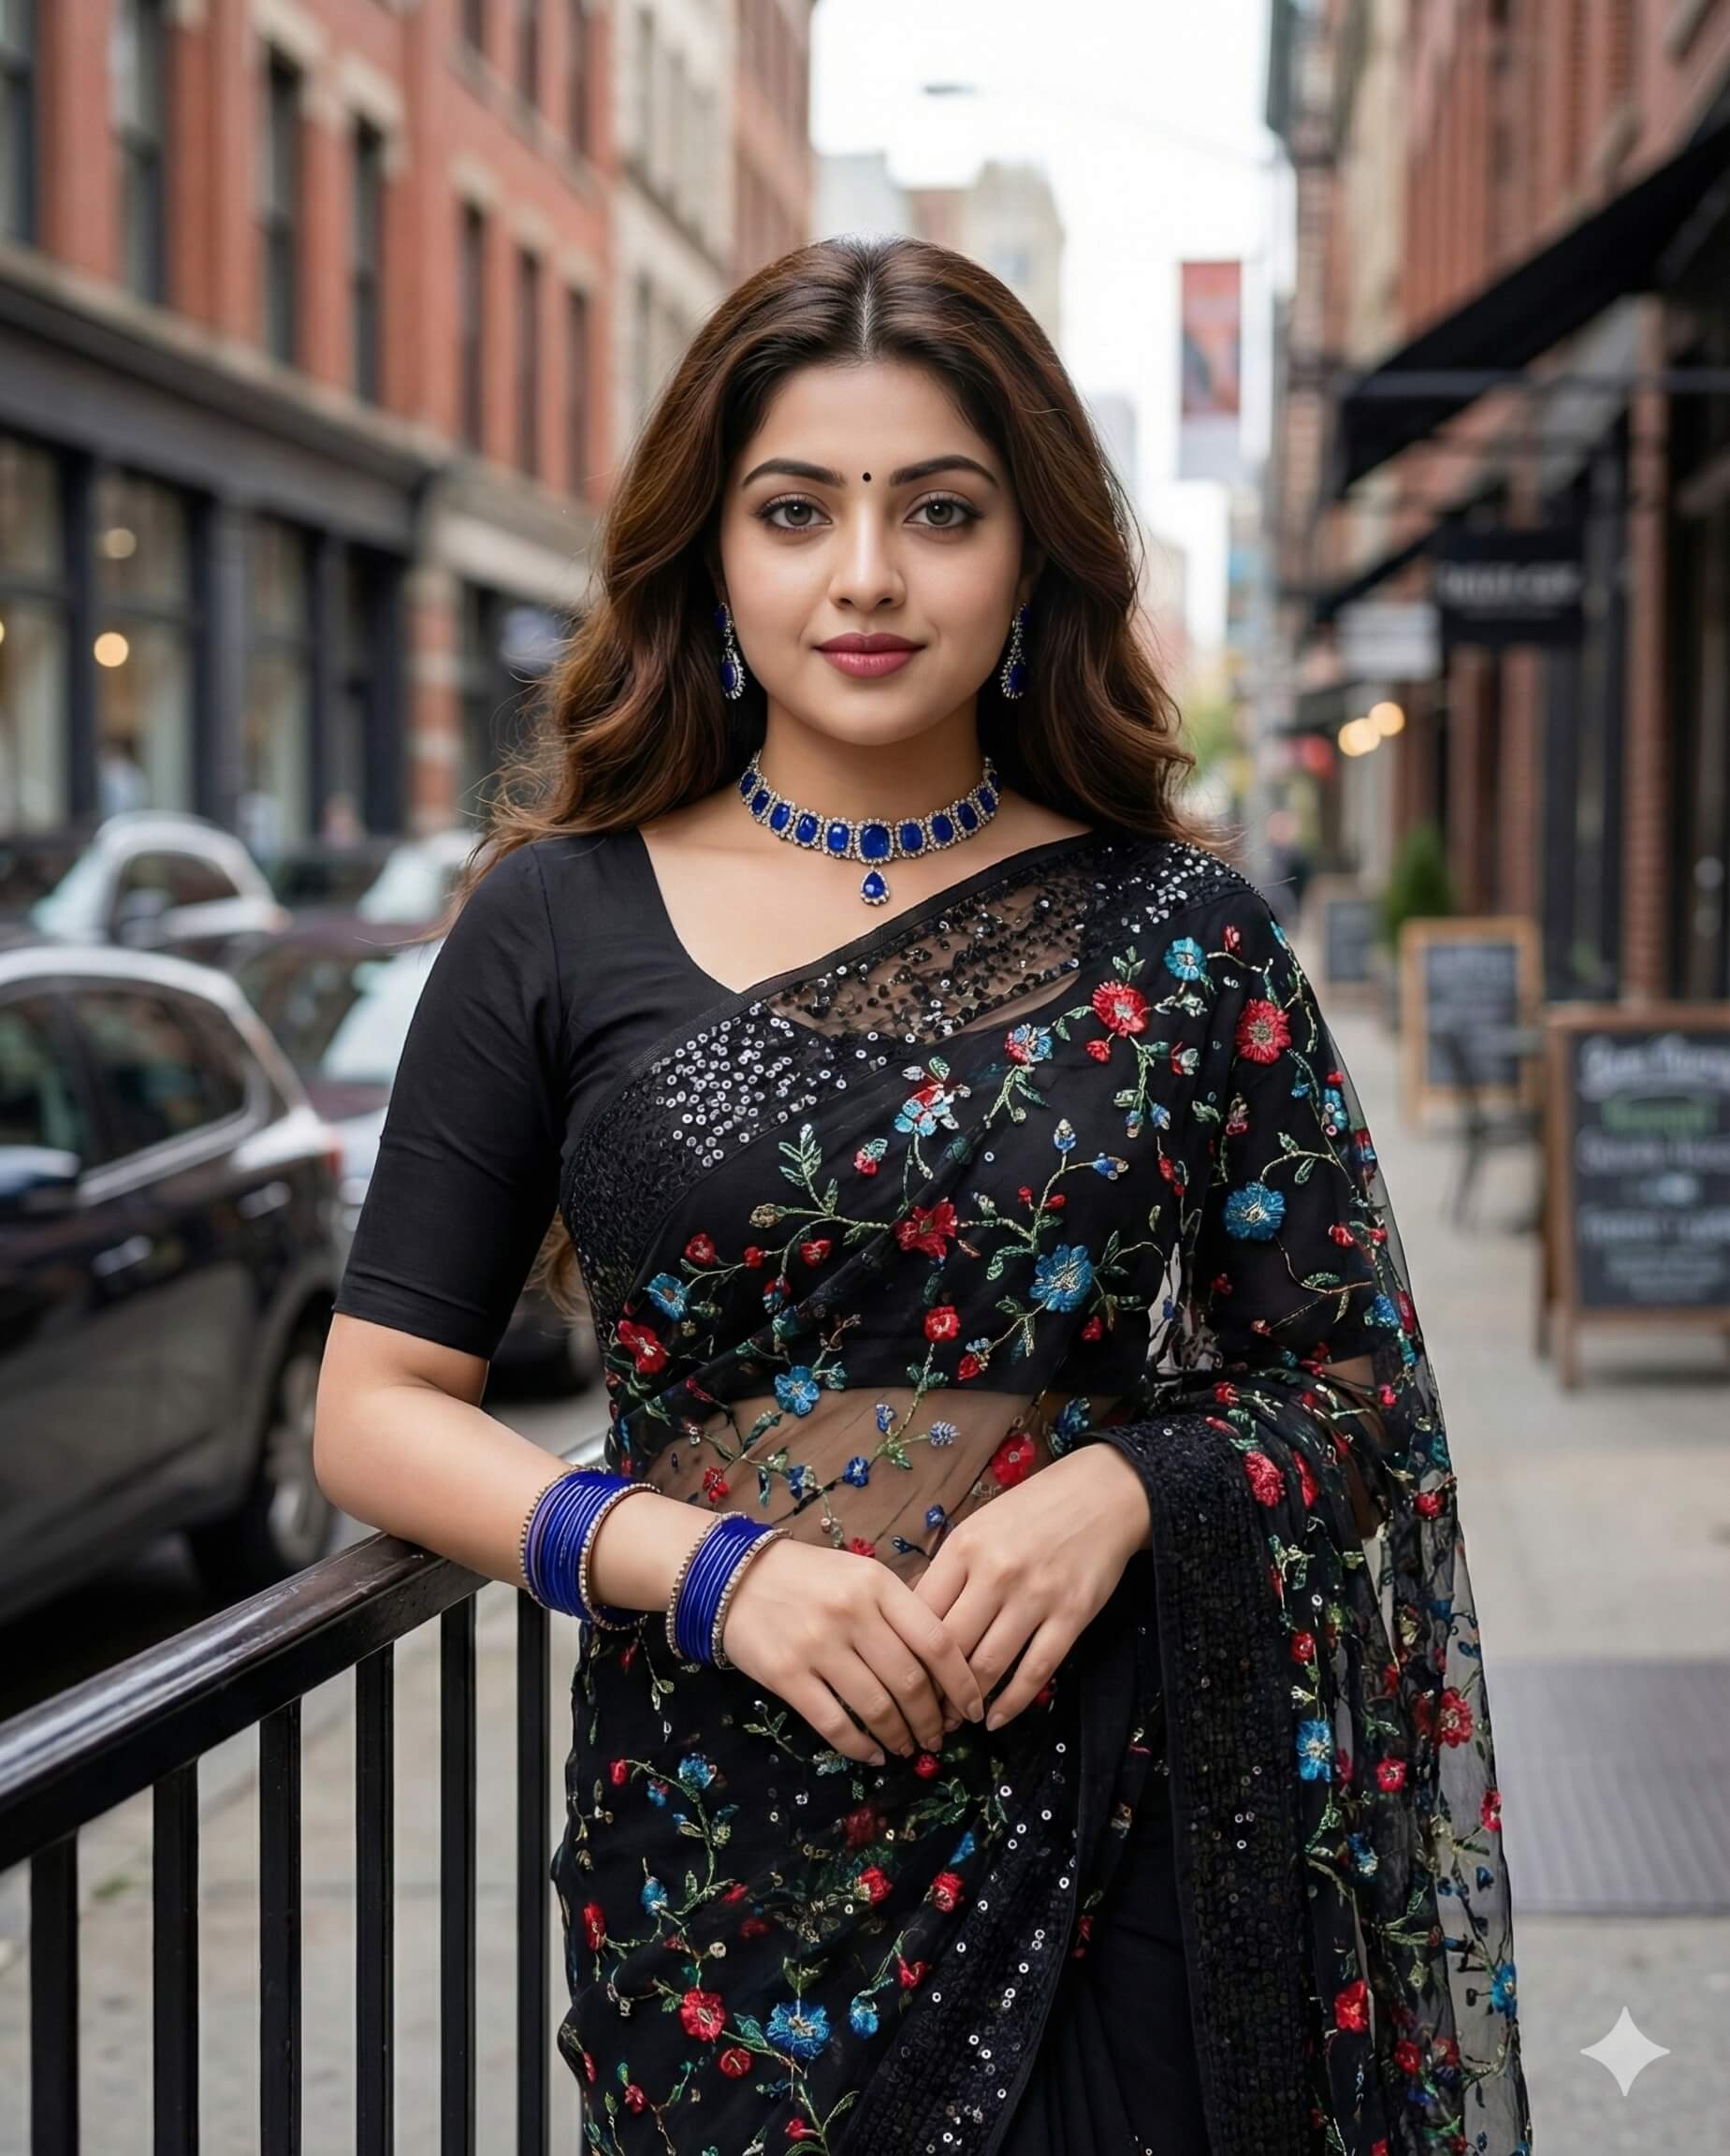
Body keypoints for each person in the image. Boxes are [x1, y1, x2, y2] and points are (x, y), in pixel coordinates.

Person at [313, 237, 1533, 2156]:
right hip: (720, 1847)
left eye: (938, 511)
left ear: (1030, 558)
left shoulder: (1181, 932)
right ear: (710, 555)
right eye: (795, 510)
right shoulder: (553, 918)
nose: (865, 574)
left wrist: (1126, 1488)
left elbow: (1356, 1390)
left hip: (1121, 1805)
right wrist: (711, 1572)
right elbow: (375, 1413)